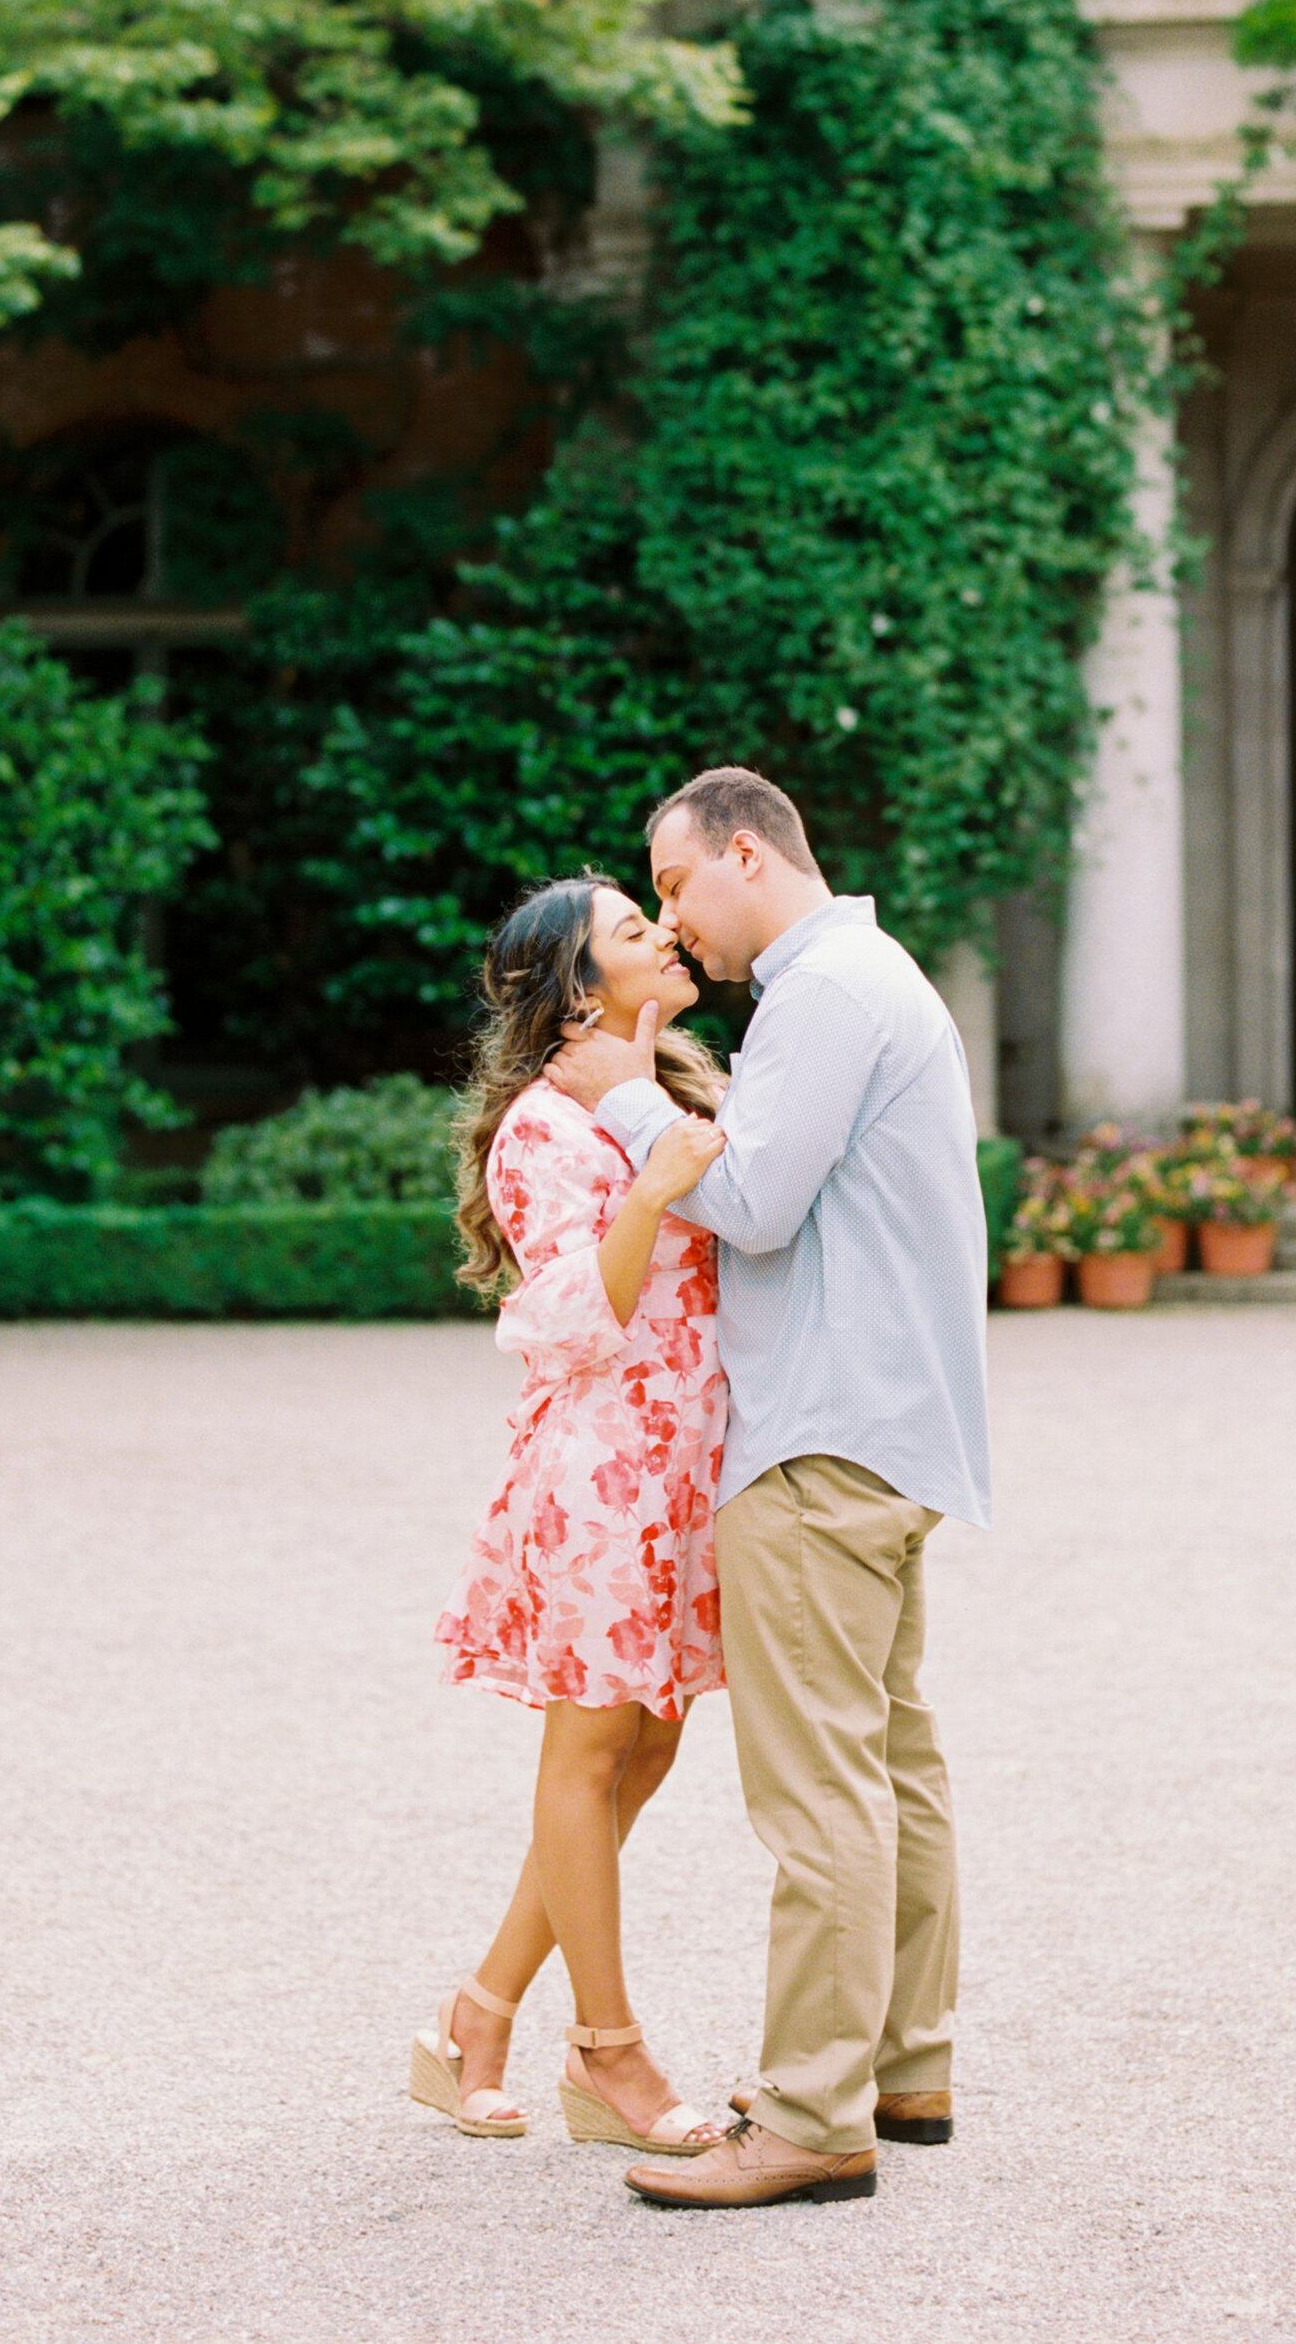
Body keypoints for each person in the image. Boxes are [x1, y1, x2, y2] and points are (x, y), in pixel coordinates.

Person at [549, 768, 992, 2212]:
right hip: (891, 1421)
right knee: (892, 1762)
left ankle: (811, 2111)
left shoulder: (821, 991)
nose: (672, 917)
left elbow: (751, 1201)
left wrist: (624, 1104)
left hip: (816, 1432)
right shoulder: (872, 974)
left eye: (675, 885)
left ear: (747, 853)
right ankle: (900, 2063)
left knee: (821, 1789)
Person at [411, 873, 733, 2158]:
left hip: (689, 1473)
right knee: (588, 1758)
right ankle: (608, 2055)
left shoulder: (691, 1090)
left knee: (642, 1758)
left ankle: (472, 2017)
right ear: (580, 992)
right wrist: (652, 1187)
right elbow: (554, 1322)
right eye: (630, 929)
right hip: (603, 1478)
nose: (663, 933)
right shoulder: (544, 1129)